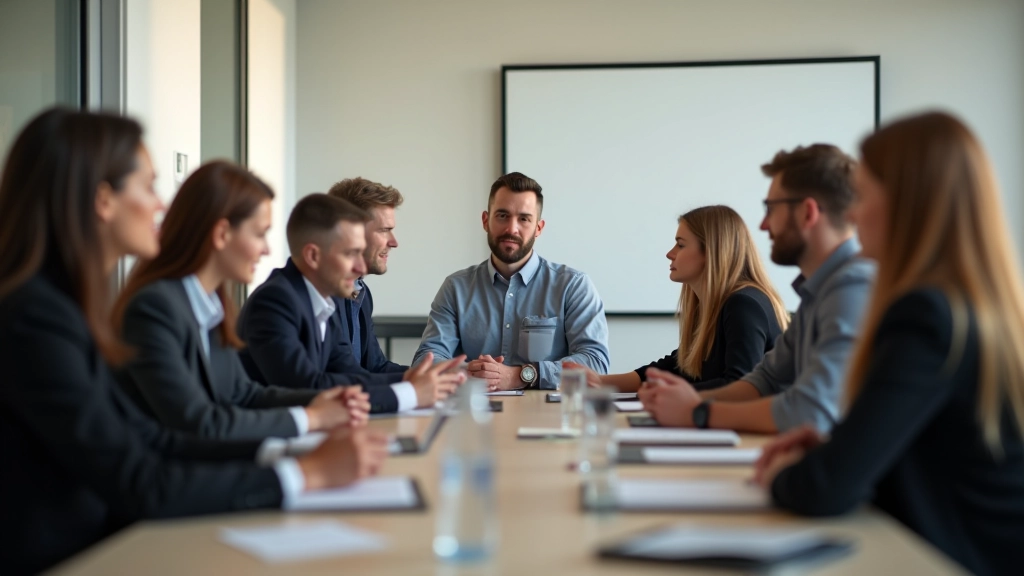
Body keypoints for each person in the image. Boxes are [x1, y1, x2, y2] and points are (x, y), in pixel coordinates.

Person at [0, 108, 388, 575]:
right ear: (103, 201)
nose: (161, 205)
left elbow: (154, 439)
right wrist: (305, 471)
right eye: (148, 186)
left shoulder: (67, 309)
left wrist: (296, 449)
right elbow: (139, 476)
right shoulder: (37, 319)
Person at [754, 112, 1024, 576]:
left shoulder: (926, 317)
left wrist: (785, 474)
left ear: (906, 202)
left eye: (863, 195)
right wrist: (834, 447)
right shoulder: (970, 308)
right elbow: (930, 454)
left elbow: (824, 489)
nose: (853, 215)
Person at [112, 162, 369, 441]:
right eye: (260, 234)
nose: (267, 249)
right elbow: (199, 423)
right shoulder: (155, 308)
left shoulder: (209, 304)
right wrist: (313, 417)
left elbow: (243, 394)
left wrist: (326, 400)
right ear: (222, 234)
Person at [639, 144, 875, 433]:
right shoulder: (821, 291)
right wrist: (682, 403)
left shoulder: (853, 289)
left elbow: (809, 409)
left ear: (807, 213)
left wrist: (697, 411)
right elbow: (765, 381)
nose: (763, 225)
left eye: (770, 209)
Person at [237, 192, 464, 413]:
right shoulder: (275, 301)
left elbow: (352, 374)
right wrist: (410, 392)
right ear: (313, 256)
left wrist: (417, 378)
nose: (361, 268)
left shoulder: (321, 301)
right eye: (350, 254)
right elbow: (308, 387)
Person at [413, 172, 610, 390]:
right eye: (502, 216)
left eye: (524, 219)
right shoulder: (455, 288)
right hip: (476, 412)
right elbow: (426, 360)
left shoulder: (573, 286)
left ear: (539, 228)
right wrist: (474, 373)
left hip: (549, 416)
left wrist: (520, 375)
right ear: (486, 221)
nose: (511, 229)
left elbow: (596, 364)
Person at [566, 205, 787, 392]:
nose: (670, 253)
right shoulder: (713, 304)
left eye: (680, 245)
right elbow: (679, 366)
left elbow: (739, 386)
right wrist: (599, 381)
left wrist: (663, 393)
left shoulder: (743, 305)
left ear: (711, 252)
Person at [326, 177, 411, 375]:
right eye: (384, 230)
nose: (394, 242)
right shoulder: (320, 296)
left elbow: (376, 367)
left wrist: (439, 376)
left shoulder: (361, 292)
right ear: (350, 232)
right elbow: (343, 379)